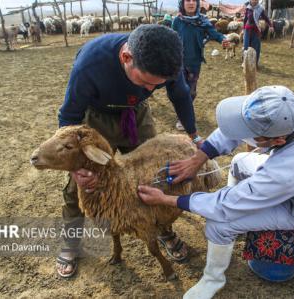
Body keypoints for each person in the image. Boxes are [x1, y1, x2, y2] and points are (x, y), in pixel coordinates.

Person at [138, 85, 294, 298]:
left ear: (277, 141)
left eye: (250, 135)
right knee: (239, 162)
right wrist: (198, 158)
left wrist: (168, 199)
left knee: (219, 223)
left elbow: (224, 205)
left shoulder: (292, 169)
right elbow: (235, 129)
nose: (241, 135)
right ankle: (237, 224)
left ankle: (213, 279)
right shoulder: (291, 106)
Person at [56, 24, 202, 278]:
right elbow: (68, 116)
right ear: (126, 58)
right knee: (77, 186)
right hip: (97, 120)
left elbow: (180, 94)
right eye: (145, 82)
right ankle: (71, 241)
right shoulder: (90, 65)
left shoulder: (167, 60)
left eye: (156, 86)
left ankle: (162, 228)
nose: (148, 89)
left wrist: (194, 136)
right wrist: (77, 167)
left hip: (136, 114)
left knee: (156, 173)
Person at [172, 0, 229, 131]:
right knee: (180, 90)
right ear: (182, 3)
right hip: (178, 62)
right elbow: (171, 37)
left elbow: (215, 34)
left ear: (197, 4)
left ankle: (183, 114)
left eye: (194, 0)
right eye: (187, 0)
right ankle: (182, 117)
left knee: (191, 92)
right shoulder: (177, 21)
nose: (191, 3)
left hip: (194, 62)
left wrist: (223, 40)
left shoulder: (203, 21)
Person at [243, 0, 274, 66]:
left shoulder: (260, 9)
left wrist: (271, 25)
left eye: (256, 0)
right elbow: (245, 19)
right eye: (253, 0)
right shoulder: (248, 8)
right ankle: (245, 62)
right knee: (246, 46)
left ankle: (255, 64)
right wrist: (243, 29)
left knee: (255, 48)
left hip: (256, 30)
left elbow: (266, 18)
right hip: (247, 30)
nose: (254, 1)